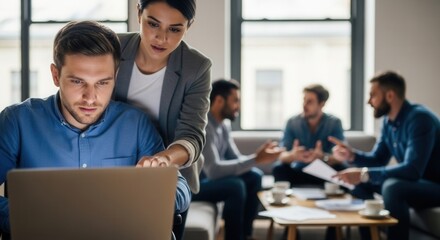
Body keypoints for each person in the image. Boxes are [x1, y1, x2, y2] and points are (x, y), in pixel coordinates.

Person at [0, 21, 191, 239]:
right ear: (55, 75)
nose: (90, 98)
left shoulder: (135, 124)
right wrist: (29, 217)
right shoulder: (17, 121)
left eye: (102, 83)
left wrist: (155, 192)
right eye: (77, 81)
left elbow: (181, 190)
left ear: (115, 77)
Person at [113, 1, 211, 238]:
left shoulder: (196, 67)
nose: (161, 37)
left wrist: (164, 159)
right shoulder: (112, 47)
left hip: (168, 178)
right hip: (113, 167)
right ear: (138, 14)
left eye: (175, 29)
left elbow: (192, 135)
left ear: (189, 26)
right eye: (153, 24)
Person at [331, 71, 440, 240]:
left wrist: (364, 174)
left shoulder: (419, 119)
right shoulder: (388, 122)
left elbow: (412, 170)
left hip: (434, 186)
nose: (369, 101)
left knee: (393, 186)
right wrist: (351, 156)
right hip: (414, 183)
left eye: (373, 95)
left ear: (390, 95)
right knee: (360, 184)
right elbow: (378, 159)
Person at [192, 79, 284, 240]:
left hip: (210, 181)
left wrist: (258, 157)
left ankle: (246, 235)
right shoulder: (205, 126)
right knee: (235, 186)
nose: (238, 107)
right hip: (195, 187)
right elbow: (214, 171)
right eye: (235, 101)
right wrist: (256, 158)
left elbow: (235, 159)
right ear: (219, 100)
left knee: (254, 176)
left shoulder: (224, 125)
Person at [273, 84, 346, 187]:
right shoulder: (292, 122)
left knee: (342, 168)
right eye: (304, 100)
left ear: (322, 104)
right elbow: (281, 155)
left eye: (309, 102)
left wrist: (323, 157)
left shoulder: (334, 123)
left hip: (323, 173)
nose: (304, 105)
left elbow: (340, 157)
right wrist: (293, 156)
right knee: (279, 168)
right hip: (298, 170)